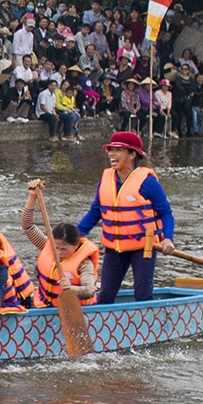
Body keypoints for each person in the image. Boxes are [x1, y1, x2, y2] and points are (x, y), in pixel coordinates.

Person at [77, 129, 175, 303]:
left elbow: (165, 213)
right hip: (114, 248)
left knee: (142, 296)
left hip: (143, 247)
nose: (111, 154)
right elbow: (96, 211)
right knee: (105, 296)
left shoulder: (148, 182)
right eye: (110, 150)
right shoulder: (106, 179)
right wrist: (76, 234)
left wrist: (167, 238)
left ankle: (147, 317)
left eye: (118, 150)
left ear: (132, 154)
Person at [21, 178, 98, 307]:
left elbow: (88, 291)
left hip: (73, 308)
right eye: (56, 247)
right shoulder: (47, 245)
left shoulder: (84, 264)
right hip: (45, 303)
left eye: (64, 249)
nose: (58, 252)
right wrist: (32, 197)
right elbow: (27, 226)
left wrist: (71, 288)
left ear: (76, 246)